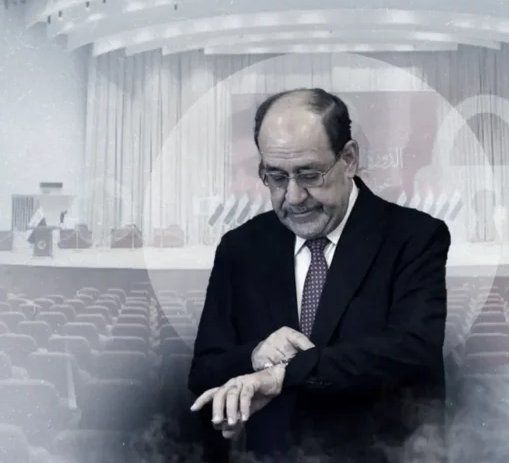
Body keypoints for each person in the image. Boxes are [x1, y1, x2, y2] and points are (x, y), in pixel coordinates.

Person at [187, 88, 451, 462]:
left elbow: (412, 350)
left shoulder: (415, 237)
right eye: (276, 177)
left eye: (309, 175)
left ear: (349, 159)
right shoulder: (240, 247)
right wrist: (255, 356)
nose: (294, 197)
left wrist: (284, 375)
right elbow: (203, 372)